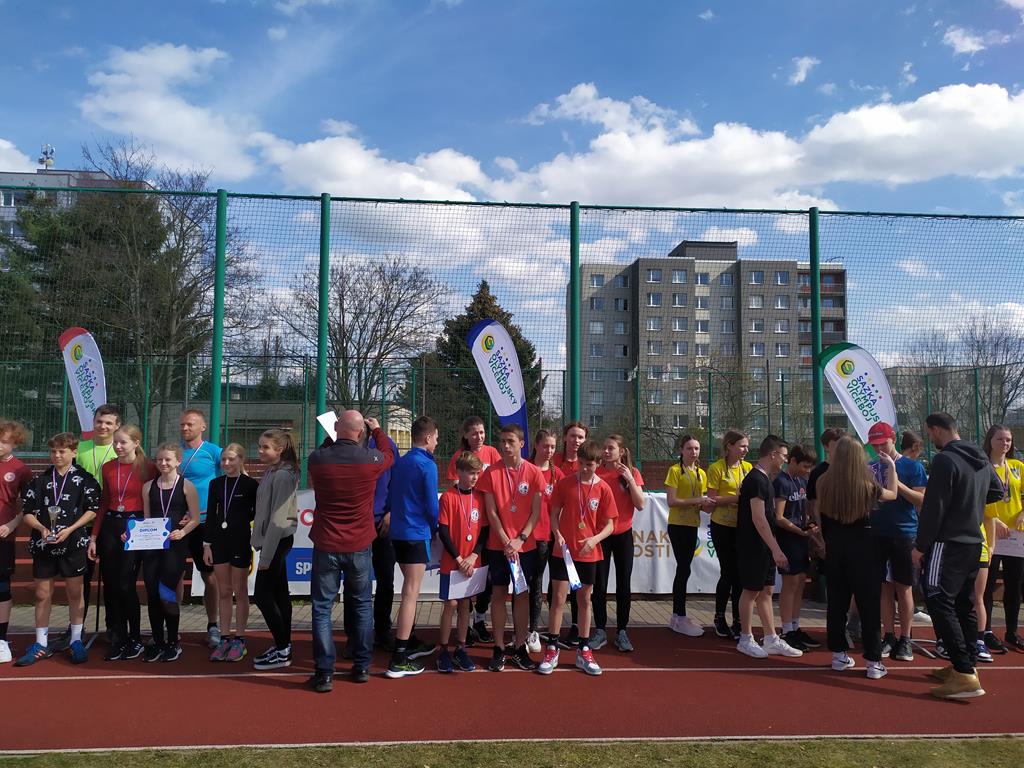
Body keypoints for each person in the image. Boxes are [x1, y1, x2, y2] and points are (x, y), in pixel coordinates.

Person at [913, 413, 1002, 699]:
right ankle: (966, 666)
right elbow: (997, 491)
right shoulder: (980, 457)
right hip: (973, 542)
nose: (930, 439)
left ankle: (964, 672)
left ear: (937, 430)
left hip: (947, 543)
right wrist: (970, 501)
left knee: (937, 598)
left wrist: (920, 546)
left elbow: (934, 507)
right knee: (964, 604)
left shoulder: (945, 460)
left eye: (930, 434)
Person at [307, 412, 394, 691]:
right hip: (359, 544)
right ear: (361, 432)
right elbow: (389, 455)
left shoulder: (318, 459)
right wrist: (377, 430)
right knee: (362, 604)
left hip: (326, 544)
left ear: (336, 429)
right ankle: (362, 666)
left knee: (322, 608)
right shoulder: (370, 459)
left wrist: (331, 435)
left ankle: (324, 672)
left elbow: (321, 452)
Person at [16, 433, 100, 666]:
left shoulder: (86, 480)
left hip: (73, 544)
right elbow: (27, 512)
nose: (57, 455)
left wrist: (71, 529)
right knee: (42, 594)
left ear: (74, 452)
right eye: (53, 451)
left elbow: (92, 509)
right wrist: (42, 528)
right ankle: (41, 643)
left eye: (62, 451)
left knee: (75, 593)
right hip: (44, 544)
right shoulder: (40, 480)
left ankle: (76, 640)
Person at [818, 436, 898, 680]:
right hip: (864, 548)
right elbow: (893, 494)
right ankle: (873, 661)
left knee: (837, 603)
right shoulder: (866, 485)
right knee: (868, 606)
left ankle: (838, 655)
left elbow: (819, 515)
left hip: (835, 546)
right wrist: (891, 468)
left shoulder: (823, 481)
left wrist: (824, 541)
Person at [538, 440, 616, 676]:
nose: (584, 468)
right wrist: (558, 534)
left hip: (588, 553)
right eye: (581, 463)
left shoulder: (604, 489)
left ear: (598, 463)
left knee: (584, 600)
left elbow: (610, 525)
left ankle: (584, 649)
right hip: (563, 552)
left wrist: (594, 539)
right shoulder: (565, 483)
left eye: (589, 465)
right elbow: (553, 514)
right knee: (558, 599)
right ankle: (552, 648)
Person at [478, 423, 545, 672]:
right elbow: (492, 512)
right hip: (499, 546)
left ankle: (519, 646)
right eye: (503, 441)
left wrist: (521, 539)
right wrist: (507, 541)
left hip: (524, 547)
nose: (505, 446)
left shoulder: (534, 472)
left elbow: (536, 512)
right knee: (498, 594)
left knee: (522, 595)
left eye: (511, 442)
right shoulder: (491, 472)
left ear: (521, 444)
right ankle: (498, 648)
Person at [88, 425, 154, 661]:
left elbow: (160, 498)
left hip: (135, 527)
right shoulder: (108, 467)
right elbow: (104, 501)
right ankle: (119, 636)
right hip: (110, 526)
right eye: (115, 442)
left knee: (126, 585)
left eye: (123, 442)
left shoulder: (149, 467)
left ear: (136, 442)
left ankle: (135, 638)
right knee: (112, 585)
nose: (117, 446)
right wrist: (94, 536)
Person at [734, 435, 802, 659]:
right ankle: (745, 638)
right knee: (751, 591)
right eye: (783, 456)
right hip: (753, 545)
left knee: (766, 591)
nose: (784, 460)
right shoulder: (756, 480)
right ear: (773, 454)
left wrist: (772, 547)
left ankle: (771, 638)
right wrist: (776, 548)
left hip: (764, 545)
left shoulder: (765, 480)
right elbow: (758, 518)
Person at [59, 403, 120, 652]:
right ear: (93, 422)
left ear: (117, 426)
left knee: (113, 577)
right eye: (99, 421)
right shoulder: (81, 448)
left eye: (108, 423)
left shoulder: (121, 448)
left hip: (112, 521)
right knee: (80, 578)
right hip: (81, 522)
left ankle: (114, 626)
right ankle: (76, 627)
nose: (103, 426)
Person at [866, 422, 927, 663]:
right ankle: (889, 635)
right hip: (878, 532)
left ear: (893, 438)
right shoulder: (870, 466)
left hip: (904, 533)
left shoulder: (912, 466)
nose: (879, 448)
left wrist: (895, 481)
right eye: (875, 445)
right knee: (884, 587)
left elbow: (921, 499)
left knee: (904, 586)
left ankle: (906, 638)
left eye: (883, 443)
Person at [386, 416, 441, 679]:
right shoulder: (427, 465)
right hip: (415, 532)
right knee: (411, 592)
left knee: (409, 589)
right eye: (436, 437)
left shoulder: (401, 462)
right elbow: (432, 505)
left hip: (398, 532)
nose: (437, 442)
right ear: (428, 438)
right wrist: (436, 527)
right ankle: (399, 656)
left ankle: (408, 641)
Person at [141, 444, 201, 662]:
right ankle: (158, 641)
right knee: (152, 595)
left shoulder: (187, 486)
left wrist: (182, 532)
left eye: (167, 460)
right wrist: (134, 534)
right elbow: (147, 518)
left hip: (175, 547)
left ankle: (173, 641)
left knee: (167, 594)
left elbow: (195, 518)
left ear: (178, 461)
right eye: (159, 460)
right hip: (152, 547)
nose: (163, 463)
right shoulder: (148, 487)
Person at [449, 417, 502, 647]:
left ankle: (480, 618)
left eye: (481, 432)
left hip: (486, 521)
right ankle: (466, 625)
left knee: (486, 577)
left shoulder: (493, 453)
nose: (479, 436)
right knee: (465, 578)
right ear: (466, 435)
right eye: (474, 433)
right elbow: (454, 486)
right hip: (466, 525)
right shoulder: (459, 457)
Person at [204, 443, 258, 663]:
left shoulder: (250, 485)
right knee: (224, 591)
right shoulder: (216, 484)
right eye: (224, 459)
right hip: (218, 543)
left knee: (240, 590)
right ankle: (225, 638)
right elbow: (211, 516)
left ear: (241, 460)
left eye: (231, 459)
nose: (226, 463)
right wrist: (207, 545)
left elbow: (257, 513)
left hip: (240, 542)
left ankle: (240, 639)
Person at [251, 429, 300, 671]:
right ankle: (284, 646)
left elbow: (279, 519)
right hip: (273, 541)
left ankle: (283, 648)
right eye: (260, 446)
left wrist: (266, 557)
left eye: (265, 447)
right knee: (280, 595)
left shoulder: (282, 475)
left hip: (277, 542)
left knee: (262, 595)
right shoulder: (272, 471)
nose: (260, 451)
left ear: (279, 450)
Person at [435, 452, 487, 673]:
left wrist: (473, 556)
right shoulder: (448, 497)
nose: (474, 477)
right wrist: (458, 558)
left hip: (472, 562)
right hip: (452, 561)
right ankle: (443, 650)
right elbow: (443, 532)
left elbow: (484, 531)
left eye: (477, 473)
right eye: (470, 473)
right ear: (459, 472)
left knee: (466, 604)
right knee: (451, 604)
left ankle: (461, 648)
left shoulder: (480, 498)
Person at [593, 434, 644, 652]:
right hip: (601, 536)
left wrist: (630, 480)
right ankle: (600, 630)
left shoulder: (632, 473)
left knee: (624, 584)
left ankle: (622, 631)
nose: (605, 451)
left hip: (623, 535)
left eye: (610, 448)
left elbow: (640, 504)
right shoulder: (596, 472)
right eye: (604, 447)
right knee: (599, 585)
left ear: (621, 451)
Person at [179, 409, 223, 649]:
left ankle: (213, 625)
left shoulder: (213, 451)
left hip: (205, 523)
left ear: (203, 427)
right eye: (183, 424)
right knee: (174, 574)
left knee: (210, 575)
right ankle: (172, 625)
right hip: (179, 523)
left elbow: (236, 474)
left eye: (190, 424)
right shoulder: (174, 453)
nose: (185, 428)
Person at [772, 444, 820, 652]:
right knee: (790, 582)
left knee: (800, 581)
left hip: (801, 538)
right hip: (788, 539)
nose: (807, 471)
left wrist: (809, 526)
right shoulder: (781, 482)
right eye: (804, 466)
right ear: (792, 461)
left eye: (809, 467)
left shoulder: (802, 481)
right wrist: (798, 530)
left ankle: (795, 625)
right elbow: (779, 517)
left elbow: (805, 510)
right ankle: (786, 630)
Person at [981, 424, 1024, 653]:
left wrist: (1023, 512)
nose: (1004, 443)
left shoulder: (1017, 466)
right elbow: (976, 498)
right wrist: (993, 520)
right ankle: (987, 631)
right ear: (990, 441)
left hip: (1016, 535)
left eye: (1008, 440)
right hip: (991, 533)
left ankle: (1012, 632)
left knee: (1014, 585)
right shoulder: (982, 467)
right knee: (987, 585)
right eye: (1000, 439)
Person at [664, 434, 711, 637]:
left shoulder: (701, 473)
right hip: (677, 525)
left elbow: (702, 504)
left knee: (685, 569)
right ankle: (678, 616)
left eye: (697, 448)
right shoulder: (675, 471)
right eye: (689, 448)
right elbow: (672, 501)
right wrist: (698, 500)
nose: (694, 452)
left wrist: (709, 504)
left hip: (692, 525)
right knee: (683, 568)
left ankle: (679, 616)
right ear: (681, 451)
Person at [707, 429, 752, 639]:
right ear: (729, 447)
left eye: (747, 446)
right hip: (722, 525)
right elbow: (712, 499)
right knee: (728, 572)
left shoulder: (748, 468)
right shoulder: (716, 468)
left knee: (741, 575)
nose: (746, 450)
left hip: (742, 526)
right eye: (742, 446)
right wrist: (736, 498)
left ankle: (738, 619)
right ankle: (719, 617)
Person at [0, 421, 34, 663]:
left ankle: (1, 640)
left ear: (15, 442)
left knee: (1, 588)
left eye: (4, 441)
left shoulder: (21, 469)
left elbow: (29, 505)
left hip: (3, 536)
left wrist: (12, 525)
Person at [527, 429, 563, 653]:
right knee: (535, 583)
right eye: (545, 446)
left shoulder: (558, 474)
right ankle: (532, 630)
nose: (549, 450)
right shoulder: (526, 469)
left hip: (554, 536)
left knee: (556, 585)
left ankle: (554, 631)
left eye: (553, 447)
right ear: (536, 446)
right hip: (533, 536)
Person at [553, 422, 588, 647]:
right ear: (565, 438)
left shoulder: (587, 464)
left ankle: (576, 626)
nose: (576, 441)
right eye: (573, 436)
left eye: (581, 437)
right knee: (556, 586)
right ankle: (552, 631)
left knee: (578, 584)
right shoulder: (554, 461)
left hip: (578, 535)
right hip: (555, 530)